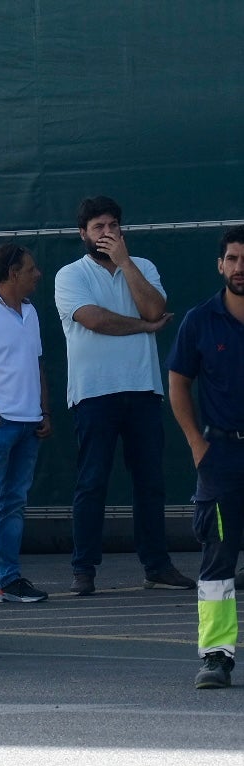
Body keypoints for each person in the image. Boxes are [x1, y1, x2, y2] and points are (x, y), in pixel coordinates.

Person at [55, 195, 193, 594]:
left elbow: (154, 309)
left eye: (113, 226)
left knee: (150, 482)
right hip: (94, 393)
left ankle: (157, 566)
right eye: (98, 227)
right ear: (83, 233)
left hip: (143, 389)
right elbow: (94, 320)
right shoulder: (70, 275)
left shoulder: (143, 267)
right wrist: (145, 329)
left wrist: (126, 262)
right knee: (92, 482)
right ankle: (84, 570)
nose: (107, 234)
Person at [167, 226, 244, 689]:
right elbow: (178, 381)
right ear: (221, 265)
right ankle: (216, 657)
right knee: (218, 560)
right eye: (233, 258)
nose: (241, 268)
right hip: (222, 456)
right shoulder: (199, 320)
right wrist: (197, 442)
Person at [0, 245, 52, 604]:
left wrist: (44, 412)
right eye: (31, 269)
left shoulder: (31, 312)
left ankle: (8, 582)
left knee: (13, 504)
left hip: (29, 425)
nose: (37, 274)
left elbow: (37, 364)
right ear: (12, 274)